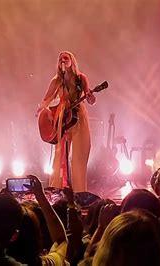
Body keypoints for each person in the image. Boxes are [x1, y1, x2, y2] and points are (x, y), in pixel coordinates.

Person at [37, 51, 96, 192]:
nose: (63, 60)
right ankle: (57, 189)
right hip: (61, 118)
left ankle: (79, 191)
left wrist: (90, 97)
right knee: (60, 154)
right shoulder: (56, 80)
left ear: (72, 61)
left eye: (66, 58)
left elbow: (91, 100)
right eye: (60, 59)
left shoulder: (81, 78)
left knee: (79, 154)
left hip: (78, 117)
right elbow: (45, 100)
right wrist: (46, 112)